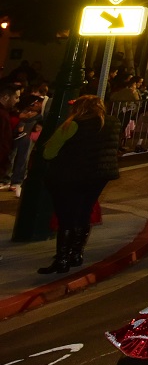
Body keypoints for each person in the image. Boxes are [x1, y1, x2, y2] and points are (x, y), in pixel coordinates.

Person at [36, 95, 120, 274]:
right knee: (84, 212)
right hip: (98, 176)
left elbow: (49, 152)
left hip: (69, 177)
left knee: (66, 216)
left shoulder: (73, 124)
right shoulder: (112, 124)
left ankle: (62, 259)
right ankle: (76, 253)